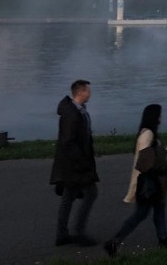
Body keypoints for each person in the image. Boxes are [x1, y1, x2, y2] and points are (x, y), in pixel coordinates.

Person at [104, 104, 167, 256]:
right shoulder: (148, 135)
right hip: (150, 183)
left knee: (159, 210)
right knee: (140, 214)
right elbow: (145, 162)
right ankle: (114, 242)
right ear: (154, 117)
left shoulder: (149, 133)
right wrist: (161, 159)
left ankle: (163, 239)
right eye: (159, 114)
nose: (161, 117)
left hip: (156, 181)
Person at [49, 79, 99, 247]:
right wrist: (82, 162)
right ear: (80, 92)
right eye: (88, 91)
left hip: (73, 165)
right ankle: (79, 232)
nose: (90, 93)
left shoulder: (78, 110)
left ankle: (61, 234)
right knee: (91, 193)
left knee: (68, 197)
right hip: (76, 166)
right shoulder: (72, 114)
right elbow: (68, 142)